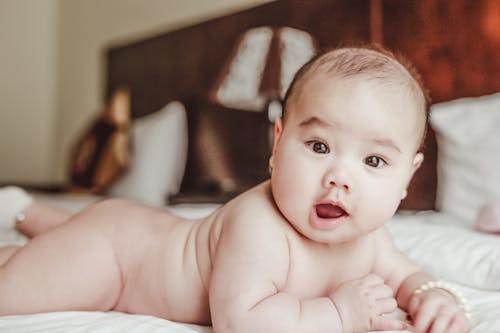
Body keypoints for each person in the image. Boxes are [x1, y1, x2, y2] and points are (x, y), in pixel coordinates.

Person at [0, 45, 470, 333]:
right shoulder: (259, 225)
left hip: (137, 230)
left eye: (373, 161)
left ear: (407, 178)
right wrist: (340, 315)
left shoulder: (371, 238)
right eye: (319, 145)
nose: (339, 177)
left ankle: (23, 213)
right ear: (278, 142)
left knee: (46, 251)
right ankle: (22, 221)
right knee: (16, 290)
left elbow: (409, 277)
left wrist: (435, 296)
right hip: (118, 259)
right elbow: (241, 322)